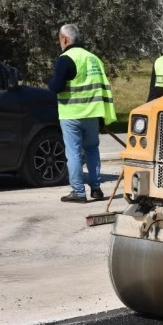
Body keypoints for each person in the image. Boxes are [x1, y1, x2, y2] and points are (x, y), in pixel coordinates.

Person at [48, 24, 117, 203]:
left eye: (59, 39)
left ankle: (78, 192)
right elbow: (102, 89)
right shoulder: (94, 59)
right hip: (93, 114)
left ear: (64, 39)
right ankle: (96, 189)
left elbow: (56, 87)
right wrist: (103, 116)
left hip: (71, 113)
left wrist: (49, 81)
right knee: (92, 150)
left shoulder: (65, 59)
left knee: (73, 153)